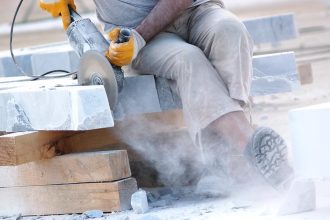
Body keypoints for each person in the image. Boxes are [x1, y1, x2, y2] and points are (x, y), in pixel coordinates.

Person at [39, 0, 293, 189]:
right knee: (188, 60)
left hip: (193, 12)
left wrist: (139, 37)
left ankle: (226, 155)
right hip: (136, 39)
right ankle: (249, 148)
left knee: (230, 31)